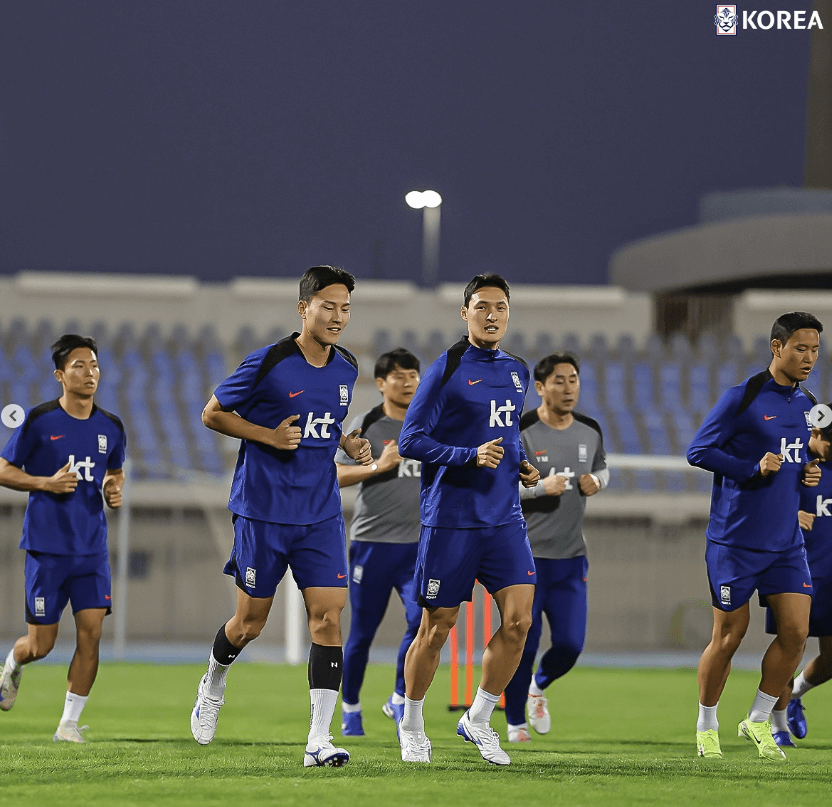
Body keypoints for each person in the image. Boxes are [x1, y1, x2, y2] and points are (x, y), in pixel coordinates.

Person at [190, 266, 372, 768]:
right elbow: (211, 413)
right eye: (328, 306)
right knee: (250, 623)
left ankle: (318, 740)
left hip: (318, 515)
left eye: (345, 309)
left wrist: (346, 442)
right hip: (263, 512)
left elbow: (327, 422)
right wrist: (267, 436)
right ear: (304, 308)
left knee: (329, 616)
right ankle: (214, 681)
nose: (338, 317)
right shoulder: (269, 360)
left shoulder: (347, 366)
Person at [396, 273, 540, 766]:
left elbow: (507, 433)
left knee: (519, 623)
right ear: (465, 314)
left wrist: (520, 464)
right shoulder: (447, 368)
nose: (492, 314)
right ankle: (412, 724)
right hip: (452, 520)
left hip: (504, 521)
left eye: (500, 306)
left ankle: (477, 719)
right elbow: (411, 441)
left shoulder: (519, 371)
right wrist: (467, 455)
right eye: (482, 306)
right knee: (436, 630)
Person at [687, 311, 824, 761]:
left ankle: (759, 718)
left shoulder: (808, 404)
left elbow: (797, 457)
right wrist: (751, 467)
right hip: (735, 541)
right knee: (729, 636)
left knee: (796, 633)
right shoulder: (742, 398)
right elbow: (698, 450)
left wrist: (806, 473)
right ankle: (707, 725)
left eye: (815, 350)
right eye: (800, 348)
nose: (809, 357)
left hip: (785, 542)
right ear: (777, 347)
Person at [0, 334, 126, 743]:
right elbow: (3, 469)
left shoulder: (111, 426)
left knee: (92, 635)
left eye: (93, 365)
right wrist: (44, 483)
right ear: (59, 374)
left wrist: (112, 486)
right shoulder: (39, 421)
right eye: (79, 365)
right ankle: (13, 664)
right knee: (41, 645)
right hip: (46, 549)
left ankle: (67, 725)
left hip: (91, 550)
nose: (89, 372)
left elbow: (115, 470)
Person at [503, 353, 609, 743]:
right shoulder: (520, 430)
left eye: (574, 380)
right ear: (541, 387)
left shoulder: (590, 429)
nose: (568, 388)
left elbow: (602, 469)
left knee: (569, 644)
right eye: (559, 381)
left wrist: (599, 482)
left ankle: (538, 687)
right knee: (523, 644)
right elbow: (497, 487)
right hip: (525, 558)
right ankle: (514, 723)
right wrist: (537, 488)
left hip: (570, 559)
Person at [335, 348, 422, 737]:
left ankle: (400, 697)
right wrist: (377, 466)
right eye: (399, 376)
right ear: (382, 383)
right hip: (372, 544)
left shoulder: (429, 424)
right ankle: (350, 708)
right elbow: (331, 475)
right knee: (362, 634)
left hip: (419, 545)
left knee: (422, 620)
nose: (408, 383)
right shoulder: (364, 424)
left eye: (413, 376)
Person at [765, 414, 832, 746]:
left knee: (831, 660)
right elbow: (759, 505)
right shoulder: (792, 463)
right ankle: (777, 727)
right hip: (795, 570)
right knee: (791, 648)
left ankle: (795, 696)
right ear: (816, 433)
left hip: (831, 577)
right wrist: (790, 516)